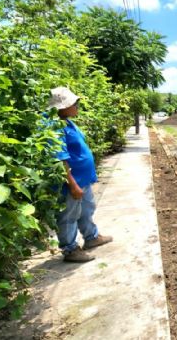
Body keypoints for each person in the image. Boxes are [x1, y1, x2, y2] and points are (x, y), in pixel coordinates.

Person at [49, 87, 112, 263]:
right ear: (63, 106)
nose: (77, 105)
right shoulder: (54, 127)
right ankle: (70, 249)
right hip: (71, 182)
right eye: (74, 103)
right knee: (68, 215)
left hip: (82, 180)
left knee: (86, 209)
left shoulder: (67, 122)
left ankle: (91, 237)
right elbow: (60, 159)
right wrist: (72, 184)